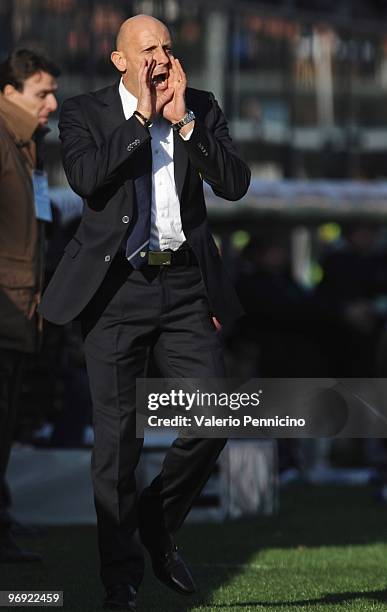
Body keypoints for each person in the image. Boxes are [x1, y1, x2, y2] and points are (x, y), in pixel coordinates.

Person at [39, 14, 250, 610]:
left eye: (167, 47)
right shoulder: (85, 111)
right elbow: (84, 178)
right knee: (117, 444)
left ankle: (156, 522)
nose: (160, 57)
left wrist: (182, 120)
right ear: (120, 60)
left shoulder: (200, 106)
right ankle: (120, 579)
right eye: (147, 48)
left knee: (215, 415)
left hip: (184, 288)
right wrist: (143, 119)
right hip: (113, 292)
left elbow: (235, 183)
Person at [0, 49, 59, 561]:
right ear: (8, 93)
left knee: (7, 424)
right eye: (42, 92)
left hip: (20, 311)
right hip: (5, 312)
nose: (53, 103)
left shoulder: (26, 147)